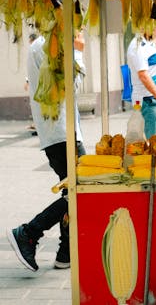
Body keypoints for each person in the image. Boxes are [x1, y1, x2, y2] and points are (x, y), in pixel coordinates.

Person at [7, 32, 86, 272]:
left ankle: (65, 253)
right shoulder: (47, 46)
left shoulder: (42, 45)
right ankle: (29, 232)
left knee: (72, 191)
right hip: (61, 132)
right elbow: (71, 85)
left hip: (60, 131)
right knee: (80, 189)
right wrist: (78, 52)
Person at [127, 28, 156, 139]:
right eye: (154, 24)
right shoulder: (137, 46)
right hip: (149, 101)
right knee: (155, 144)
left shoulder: (148, 43)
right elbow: (143, 75)